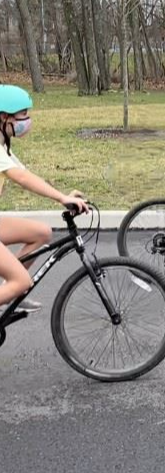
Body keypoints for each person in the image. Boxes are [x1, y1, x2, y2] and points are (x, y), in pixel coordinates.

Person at [0, 85, 88, 312]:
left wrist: (64, 196)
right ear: (3, 117)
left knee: (41, 233)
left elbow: (28, 175)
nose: (26, 120)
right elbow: (20, 178)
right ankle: (13, 287)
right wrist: (61, 199)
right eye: (22, 115)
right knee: (21, 282)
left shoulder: (3, 146)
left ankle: (8, 294)